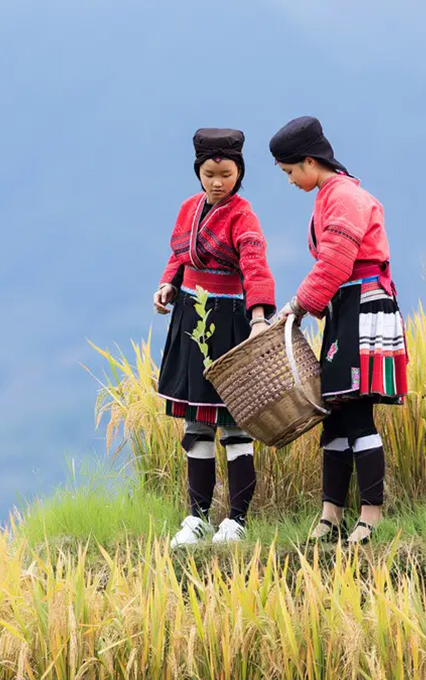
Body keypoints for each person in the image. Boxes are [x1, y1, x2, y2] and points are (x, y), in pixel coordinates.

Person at [270, 116, 408, 545]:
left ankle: (371, 515)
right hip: (343, 307)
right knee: (334, 416)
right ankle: (331, 513)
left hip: (361, 306)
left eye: (292, 172)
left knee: (357, 412)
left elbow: (334, 263)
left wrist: (295, 306)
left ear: (310, 162)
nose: (291, 181)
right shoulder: (330, 195)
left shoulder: (344, 197)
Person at [154, 128, 276, 547]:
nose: (217, 182)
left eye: (226, 173)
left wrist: (258, 318)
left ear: (239, 172)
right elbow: (180, 257)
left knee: (235, 425)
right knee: (196, 425)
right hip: (192, 320)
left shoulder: (244, 216)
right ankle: (198, 518)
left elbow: (256, 266)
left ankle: (237, 521)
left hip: (230, 325)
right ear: (198, 172)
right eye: (209, 173)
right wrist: (168, 285)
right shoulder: (189, 209)